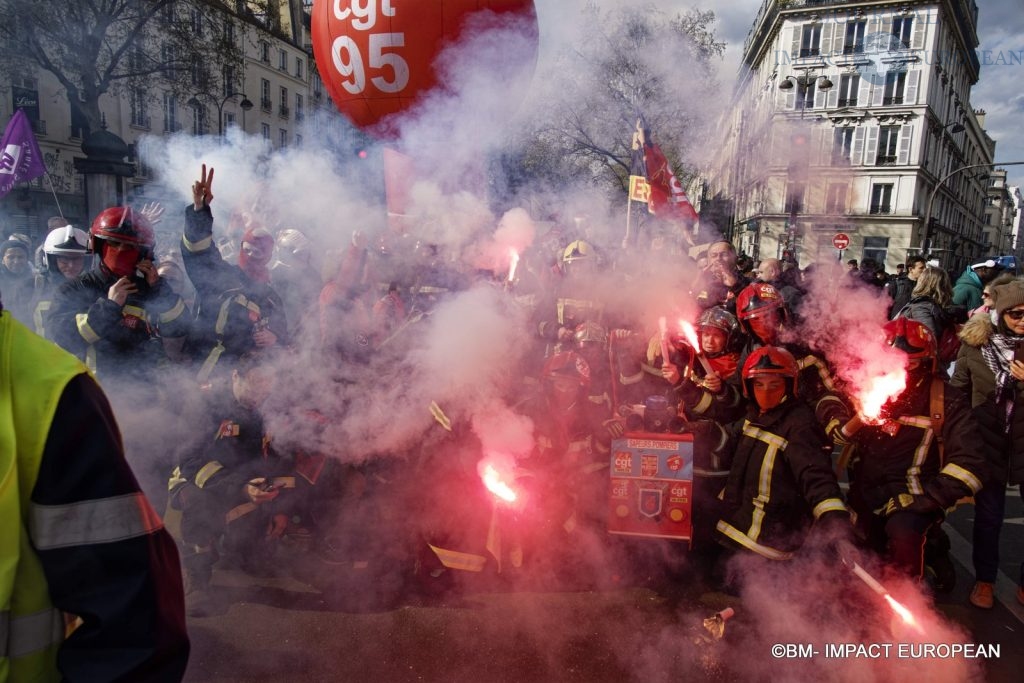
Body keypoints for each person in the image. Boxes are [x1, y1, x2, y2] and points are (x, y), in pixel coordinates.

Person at [1, 298, 189, 680]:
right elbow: (66, 331)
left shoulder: (51, 392)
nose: (128, 257)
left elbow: (133, 619)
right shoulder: (77, 292)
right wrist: (109, 306)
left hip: (131, 408)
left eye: (133, 249)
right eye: (117, 247)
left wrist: (157, 288)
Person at [844, 318, 987, 582]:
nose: (900, 372)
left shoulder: (946, 400)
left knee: (904, 535)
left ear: (927, 363)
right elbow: (834, 416)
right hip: (865, 492)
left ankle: (911, 600)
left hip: (916, 493)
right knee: (855, 553)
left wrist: (927, 499)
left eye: (910, 364)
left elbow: (971, 463)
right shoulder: (865, 388)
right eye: (889, 363)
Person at [169, 353, 290, 617]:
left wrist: (279, 508)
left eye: (267, 385)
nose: (260, 393)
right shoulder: (206, 403)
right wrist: (241, 489)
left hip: (242, 482)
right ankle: (197, 578)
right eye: (254, 384)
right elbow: (189, 461)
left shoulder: (267, 407)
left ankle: (239, 547)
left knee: (251, 555)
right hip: (197, 479)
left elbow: (275, 460)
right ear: (236, 375)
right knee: (199, 502)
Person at [714, 346, 851, 561]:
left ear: (789, 386)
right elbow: (727, 440)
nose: (766, 392)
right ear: (749, 387)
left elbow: (815, 475)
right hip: (736, 532)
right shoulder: (755, 415)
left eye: (774, 384)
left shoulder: (799, 425)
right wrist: (703, 432)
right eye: (759, 384)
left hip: (767, 545)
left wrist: (835, 523)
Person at [47, 207, 190, 383]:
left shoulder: (148, 289)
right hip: (95, 391)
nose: (121, 251)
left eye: (130, 246)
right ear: (98, 244)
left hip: (143, 392)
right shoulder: (76, 288)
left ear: (143, 252)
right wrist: (109, 307)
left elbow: (179, 328)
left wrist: (159, 288)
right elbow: (63, 337)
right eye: (114, 243)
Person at [951, 279, 1024, 609]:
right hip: (988, 442)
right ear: (1000, 313)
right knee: (989, 516)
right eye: (1017, 314)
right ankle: (985, 581)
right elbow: (958, 395)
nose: (1023, 321)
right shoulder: (976, 344)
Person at [181, 165, 289, 383]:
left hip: (251, 382)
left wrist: (275, 336)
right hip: (209, 375)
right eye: (246, 249)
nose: (250, 256)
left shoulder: (271, 295)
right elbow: (197, 251)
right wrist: (200, 210)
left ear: (268, 256)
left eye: (257, 252)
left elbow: (283, 330)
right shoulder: (221, 276)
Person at [30, 225, 90, 338]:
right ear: (50, 260)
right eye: (64, 259)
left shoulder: (92, 287)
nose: (71, 266)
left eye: (77, 259)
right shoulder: (34, 286)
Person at [693, 241, 750, 313]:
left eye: (724, 254)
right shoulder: (704, 282)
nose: (718, 259)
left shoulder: (747, 283)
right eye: (714, 256)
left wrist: (736, 286)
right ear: (709, 260)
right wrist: (699, 281)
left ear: (735, 259)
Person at [0, 238, 34, 324]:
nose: (16, 261)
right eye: (11, 257)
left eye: (20, 257)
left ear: (27, 260)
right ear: (2, 260)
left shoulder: (36, 281)